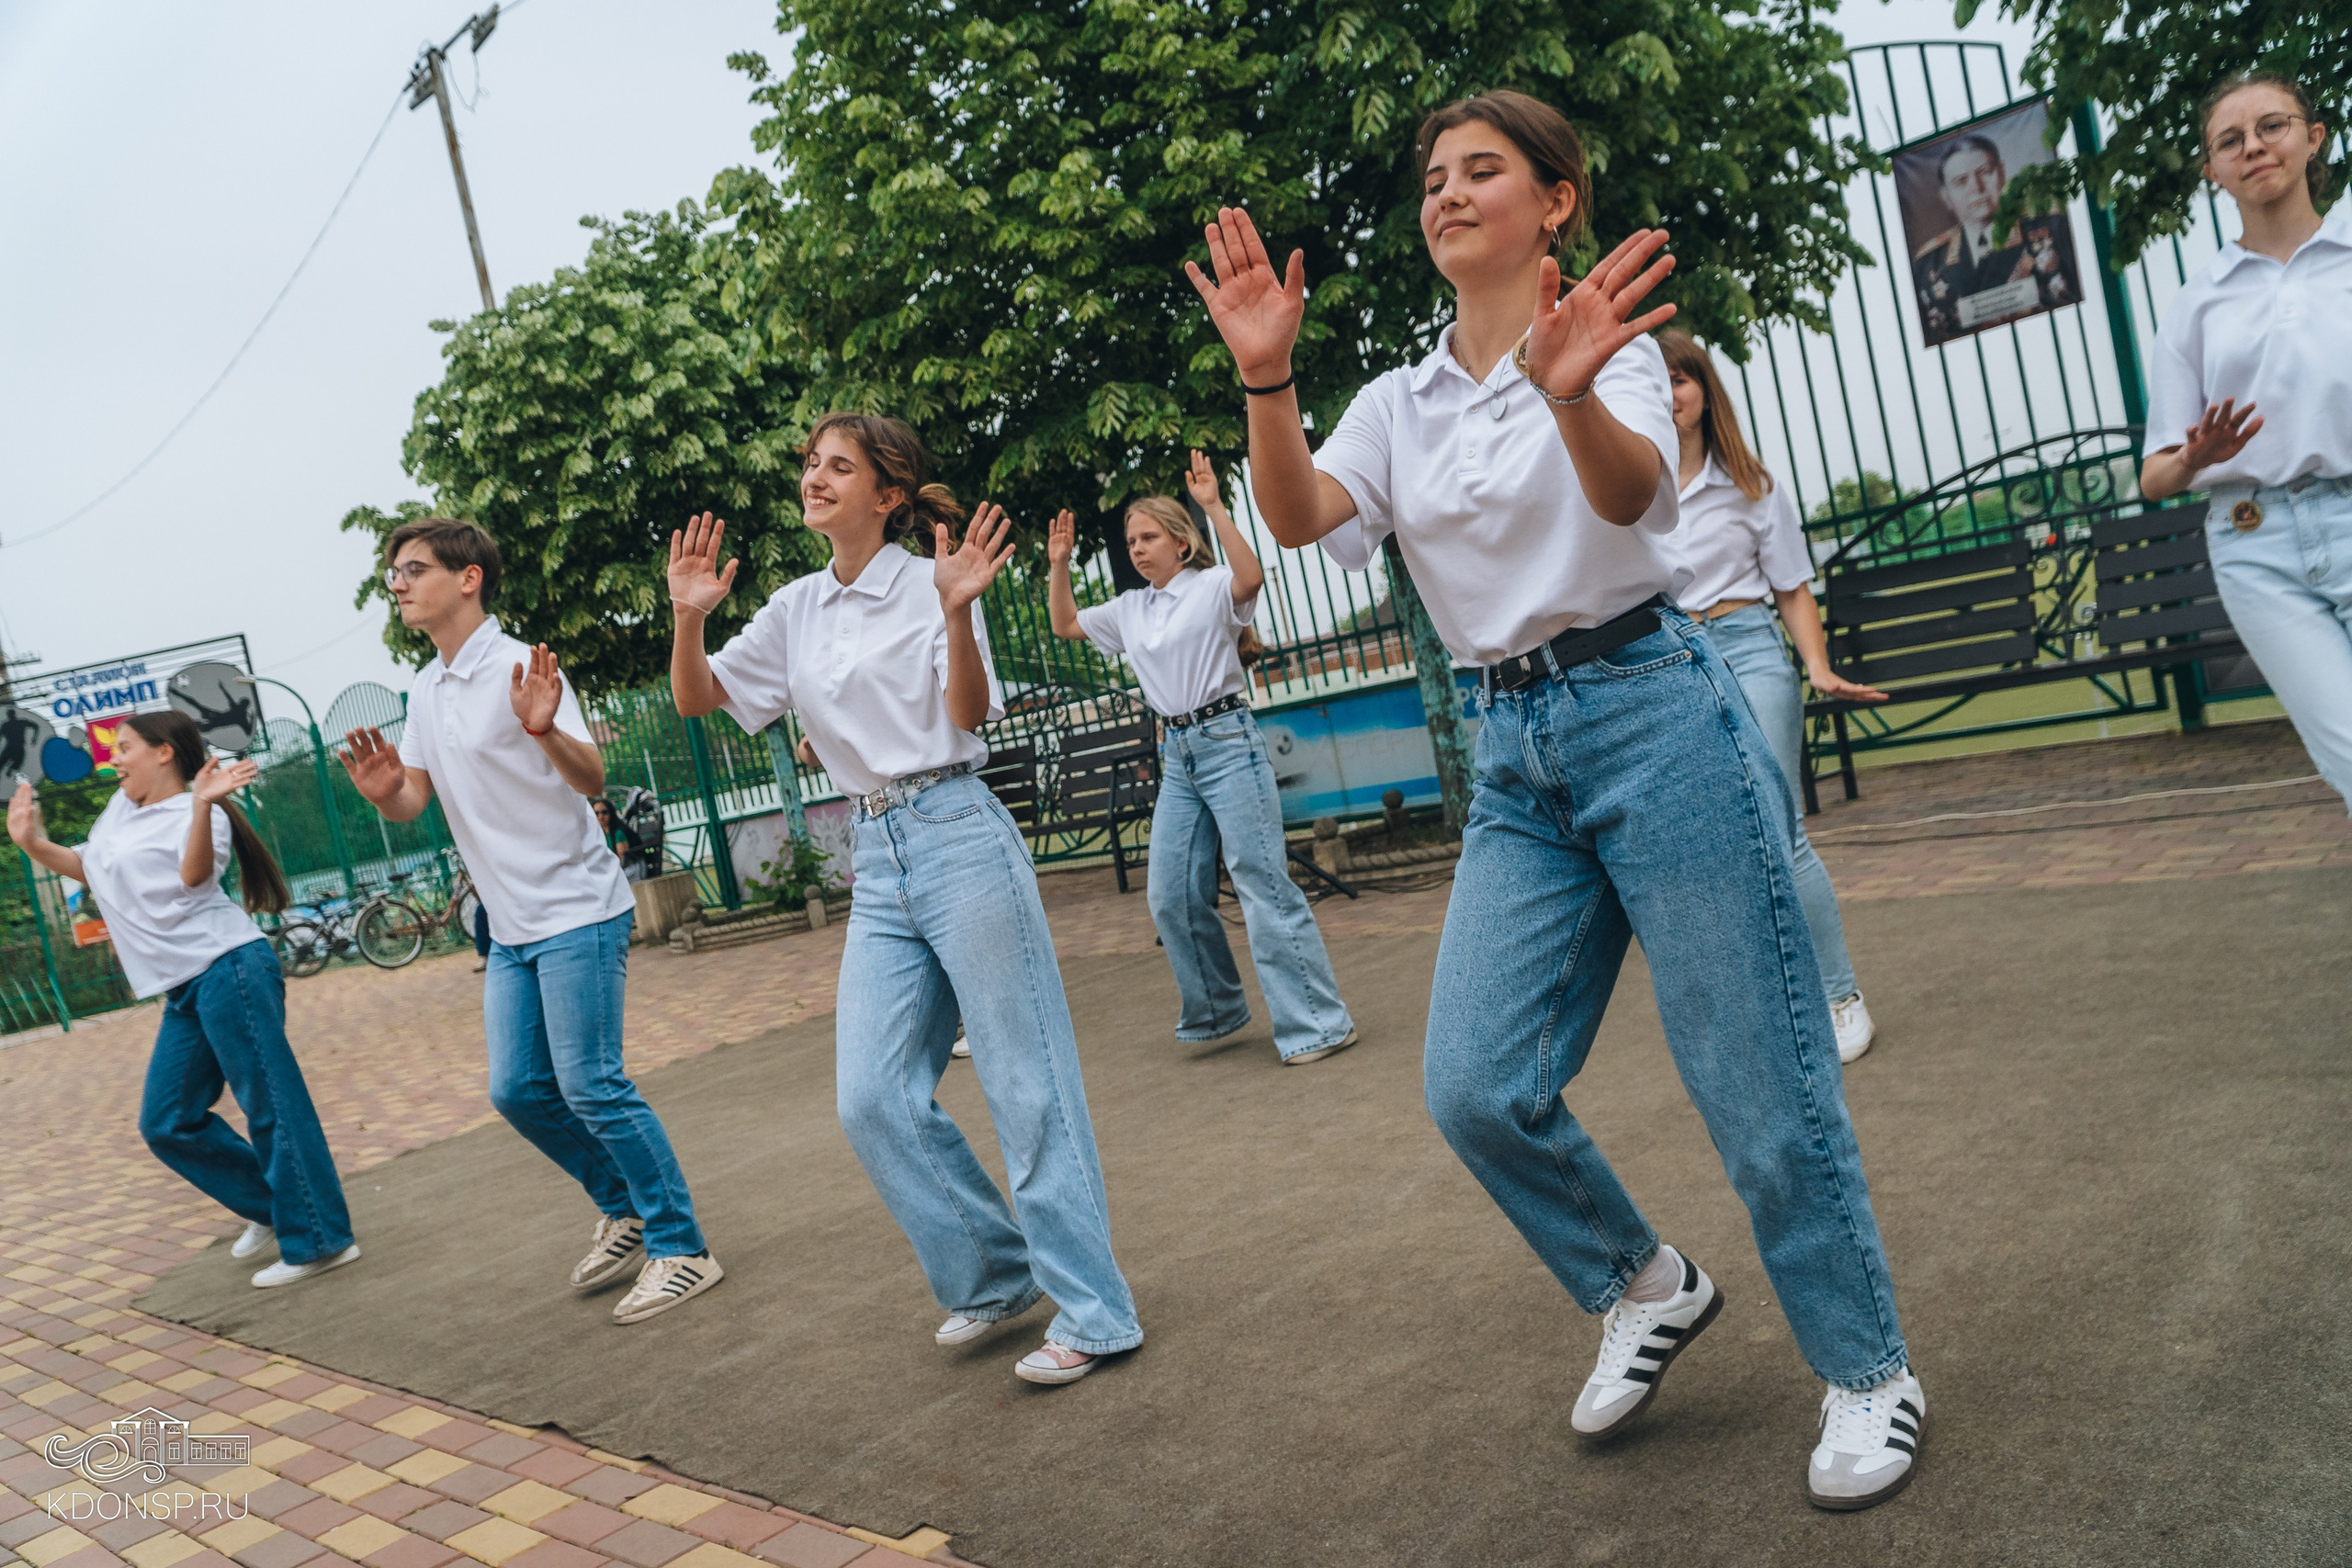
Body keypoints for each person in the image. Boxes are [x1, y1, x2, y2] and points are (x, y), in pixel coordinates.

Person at [1186, 89, 1923, 1508]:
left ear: (1555, 201)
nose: (1449, 193)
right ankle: (1643, 1282)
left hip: (1655, 708)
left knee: (1756, 1081)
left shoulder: (1607, 343)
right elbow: (1300, 517)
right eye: (1434, 178)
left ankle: (1869, 1369)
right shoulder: (1397, 401)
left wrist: (1568, 387)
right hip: (1512, 747)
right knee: (1475, 1083)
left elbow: (1637, 499)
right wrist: (1267, 380)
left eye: (1484, 170)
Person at [665, 412, 1142, 1386]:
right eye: (810, 463)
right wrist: (688, 616)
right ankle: (993, 1273)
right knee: (871, 1096)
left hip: (958, 827)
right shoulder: (795, 607)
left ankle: (1097, 1313)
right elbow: (696, 697)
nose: (815, 476)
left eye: (838, 466)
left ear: (887, 495)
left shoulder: (933, 580)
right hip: (876, 854)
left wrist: (958, 612)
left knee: (1023, 1080)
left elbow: (967, 715)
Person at [339, 518, 721, 1324]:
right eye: (393, 574)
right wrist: (384, 793)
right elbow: (413, 799)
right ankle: (624, 1206)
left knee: (593, 1085)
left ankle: (683, 1245)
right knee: (517, 1091)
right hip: (510, 926)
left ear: (468, 577)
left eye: (413, 569)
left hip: (576, 907)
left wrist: (544, 727)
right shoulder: (425, 689)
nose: (398, 585)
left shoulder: (522, 665)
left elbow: (592, 775)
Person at [7, 711, 358, 1289]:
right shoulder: (120, 810)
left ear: (164, 751)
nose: (114, 759)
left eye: (124, 748)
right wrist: (32, 843)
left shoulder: (204, 810)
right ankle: (276, 1208)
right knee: (167, 1121)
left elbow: (193, 879)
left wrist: (200, 805)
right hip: (183, 985)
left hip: (228, 968)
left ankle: (320, 1239)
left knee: (271, 1104)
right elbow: (92, 870)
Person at [1045, 454, 1357, 1065]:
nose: (1137, 549)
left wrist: (1213, 506)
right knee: (1170, 895)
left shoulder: (1211, 588)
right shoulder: (1130, 608)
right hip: (1179, 756)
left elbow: (1251, 578)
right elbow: (1064, 625)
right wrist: (1060, 564)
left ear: (1181, 544)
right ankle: (1216, 1007)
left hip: (1227, 742)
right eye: (1131, 541)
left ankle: (1320, 1025)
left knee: (1260, 883)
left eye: (1149, 537)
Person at [1657, 330, 1888, 1062]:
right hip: (1670, 662)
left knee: (1778, 830)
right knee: (1705, 845)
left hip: (1749, 646)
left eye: (1680, 378)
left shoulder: (1752, 484)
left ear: (1704, 390)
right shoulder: (1631, 488)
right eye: (1656, 381)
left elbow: (1791, 586)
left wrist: (1816, 666)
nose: (1669, 393)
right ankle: (1766, 1009)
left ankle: (1840, 998)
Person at [2142, 71, 2350, 808]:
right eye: (2230, 141)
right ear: (2212, 170)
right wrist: (2193, 458)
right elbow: (2155, 476)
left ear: (2313, 138)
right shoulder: (2198, 303)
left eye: (2272, 126)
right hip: (2256, 547)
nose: (2253, 147)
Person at [1909, 132, 2079, 346]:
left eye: (1984, 172)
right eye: (1961, 181)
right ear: (1946, 197)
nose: (1976, 188)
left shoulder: (2052, 228)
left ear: (2002, 172)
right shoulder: (1928, 263)